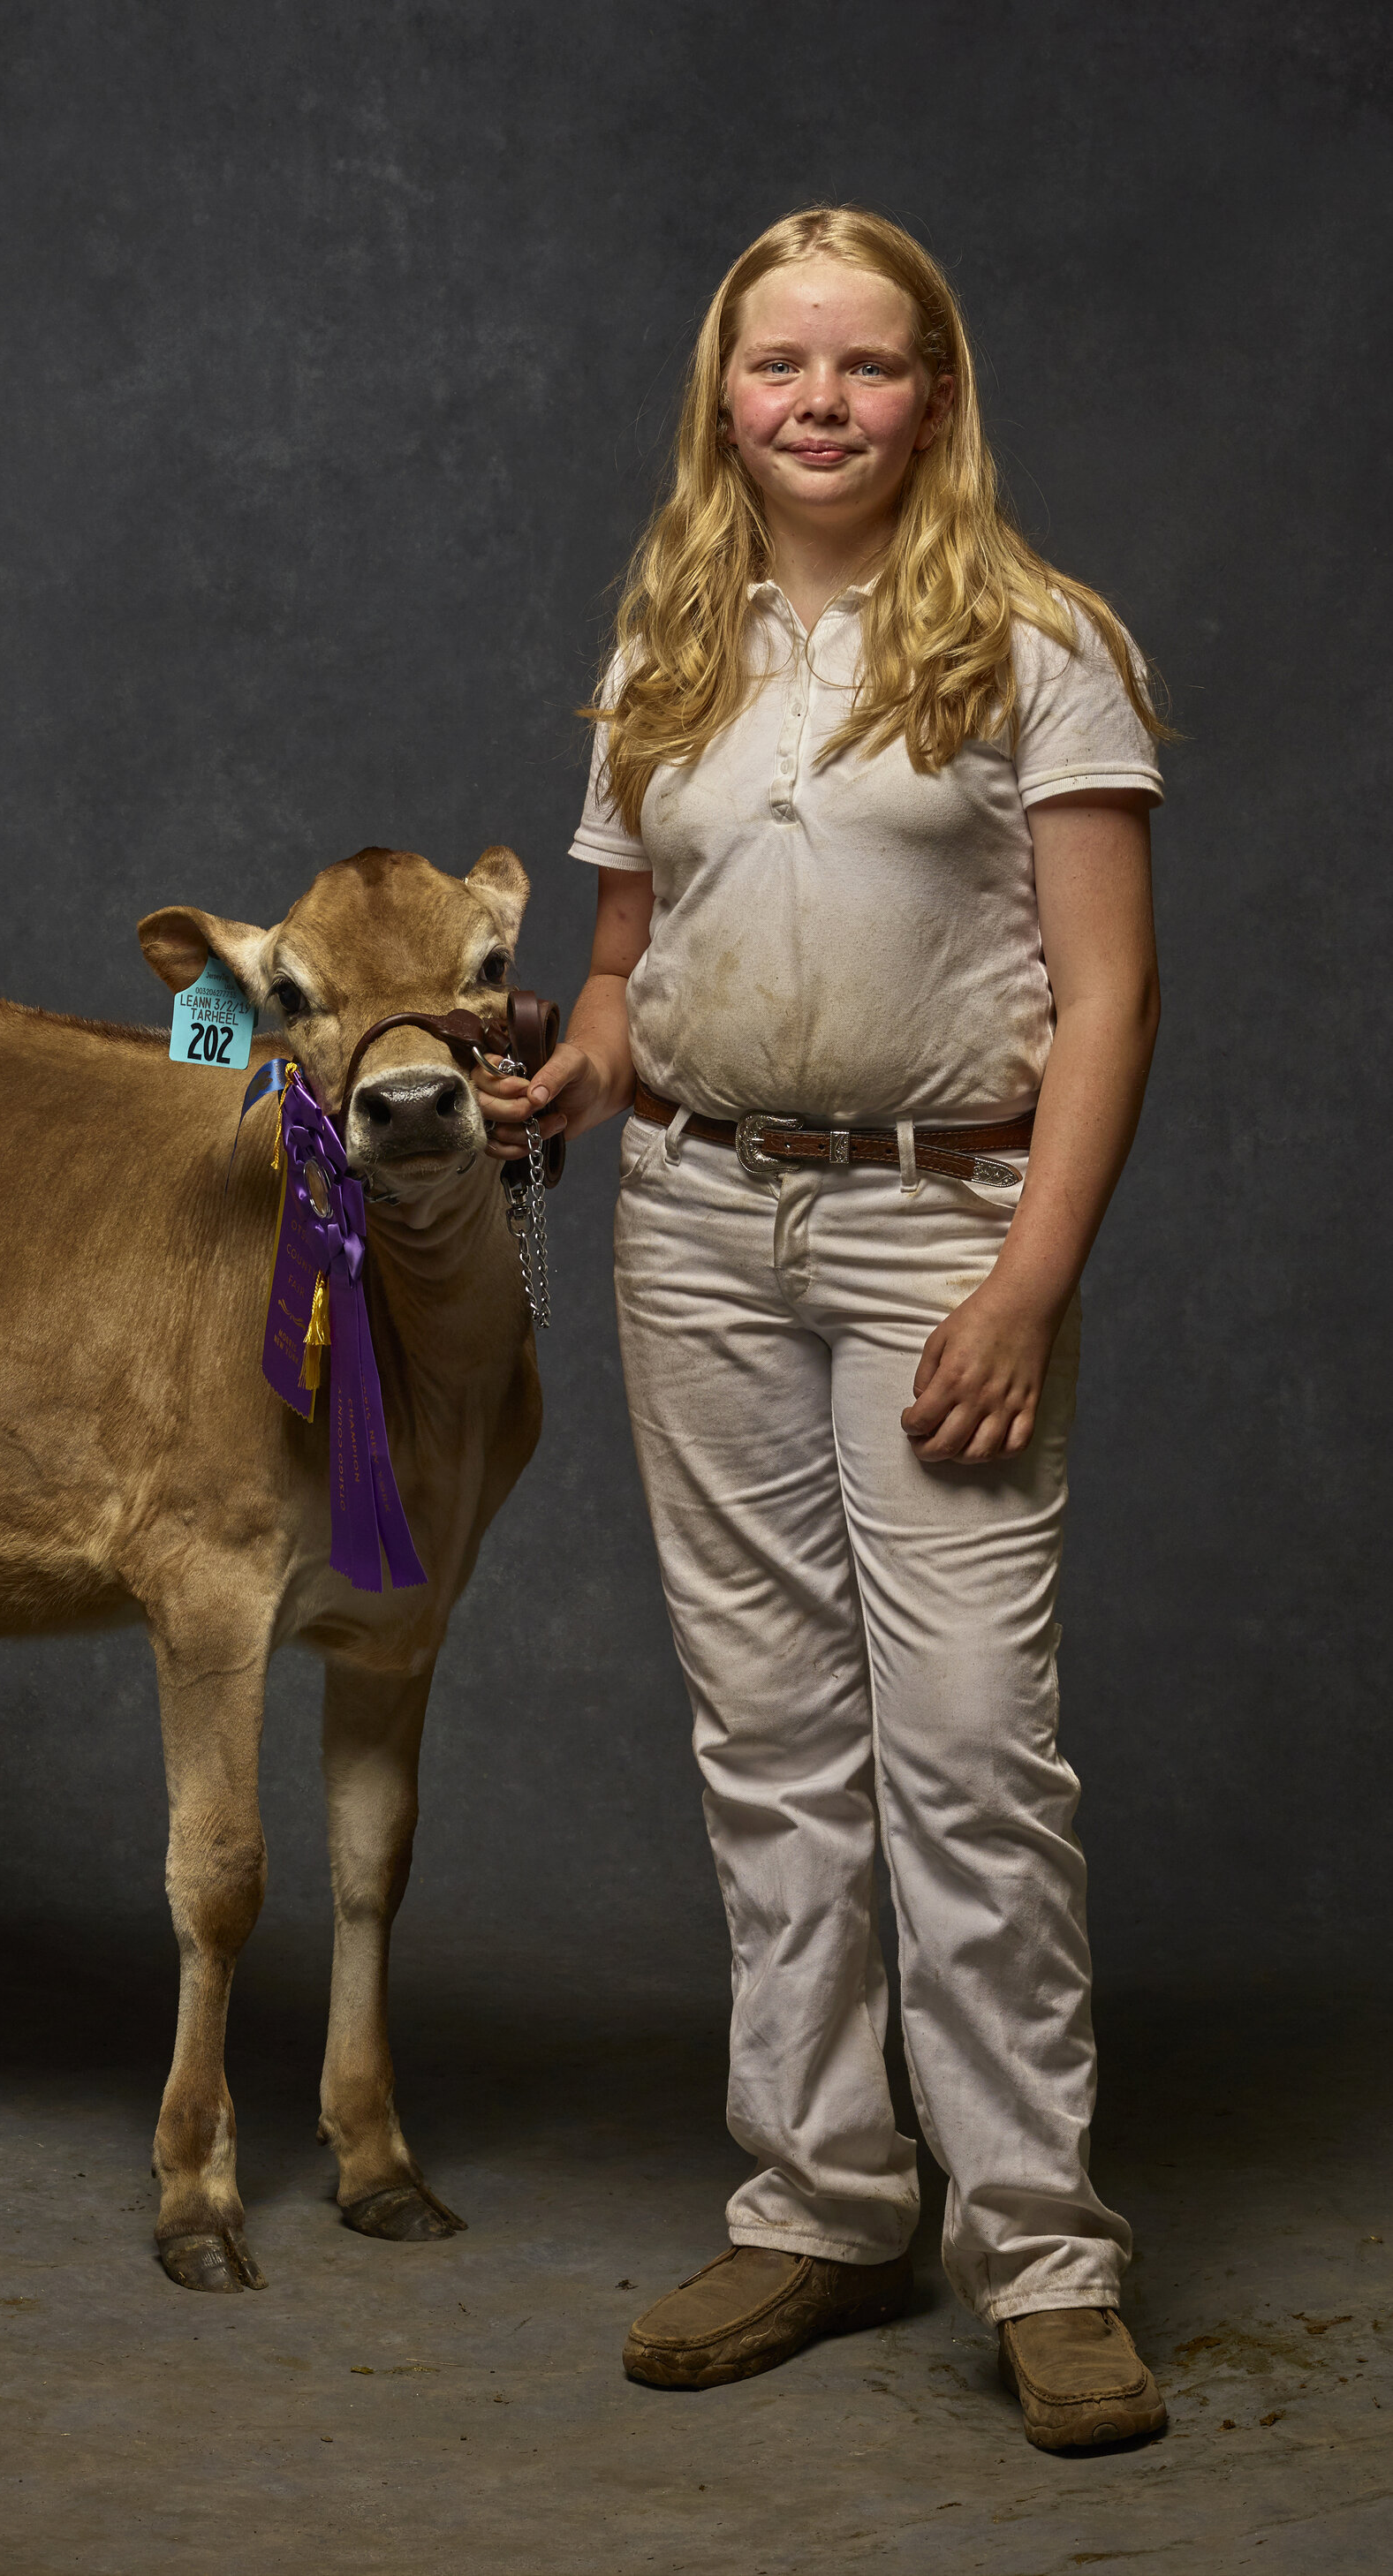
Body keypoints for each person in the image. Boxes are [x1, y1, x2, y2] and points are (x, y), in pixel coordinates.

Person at [477, 206, 1170, 2453]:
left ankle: (1040, 2252)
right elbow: (616, 955)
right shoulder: (663, 636)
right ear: (722, 393)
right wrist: (577, 1066)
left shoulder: (1034, 643)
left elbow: (1105, 994)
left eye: (864, 366)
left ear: (934, 396)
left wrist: (1027, 1277)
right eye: (776, 363)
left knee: (965, 1744)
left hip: (932, 1236)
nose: (816, 401)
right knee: (770, 1738)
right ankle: (816, 2197)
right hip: (687, 1215)